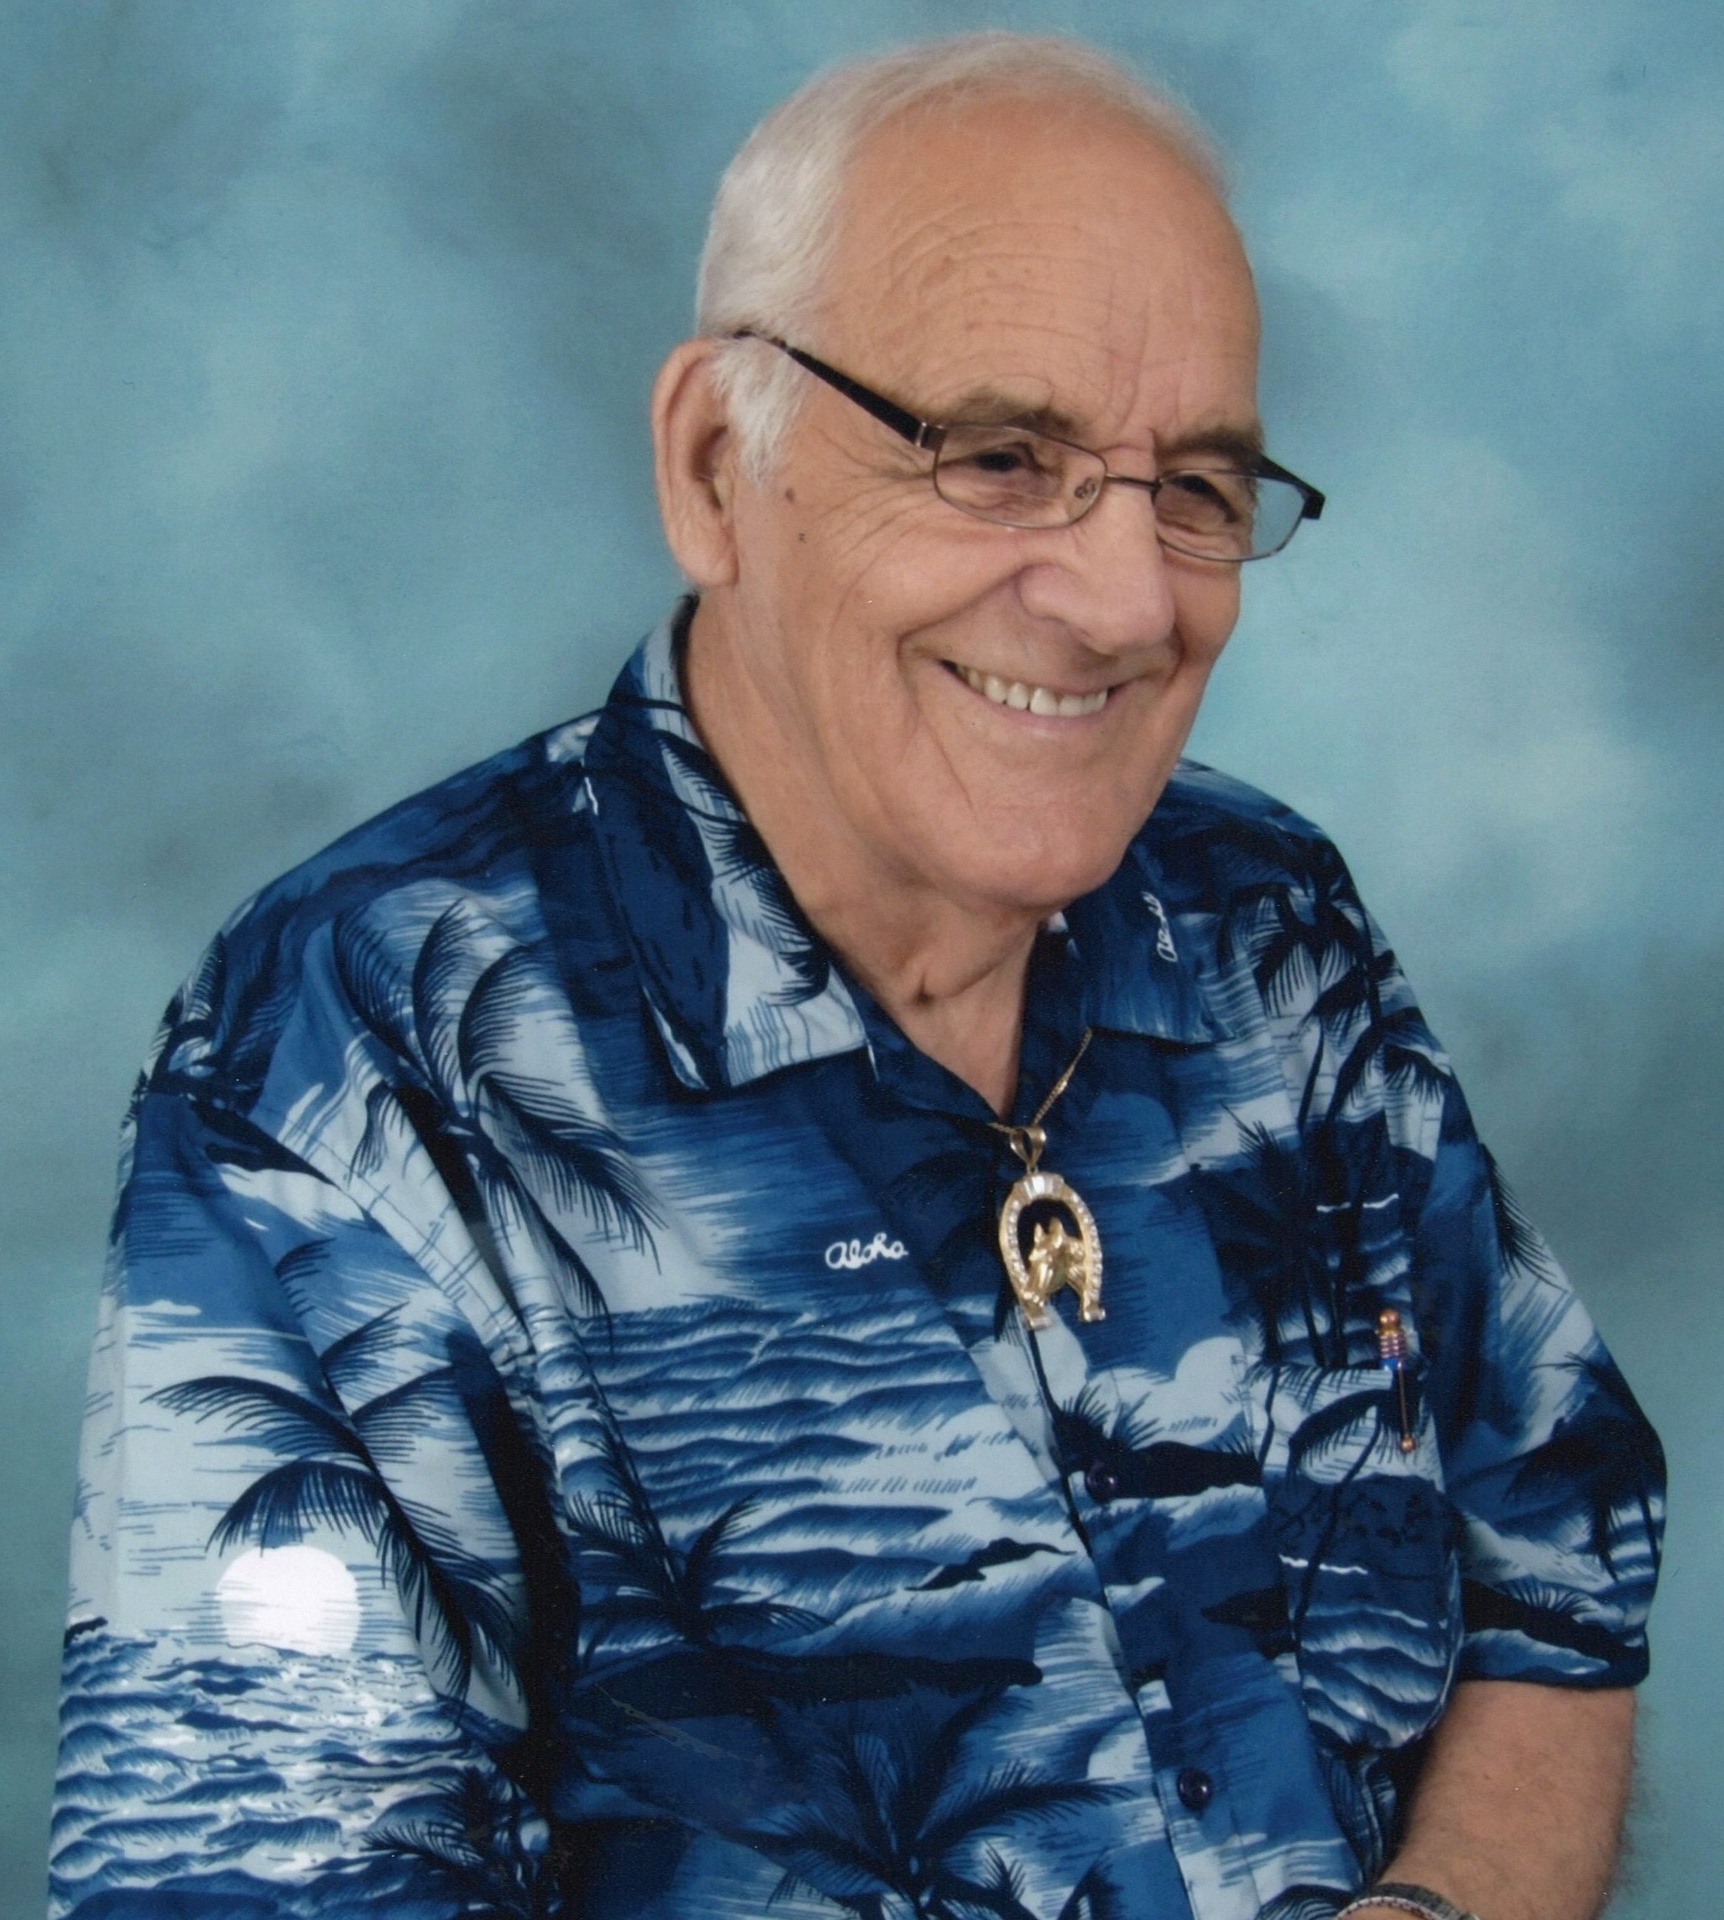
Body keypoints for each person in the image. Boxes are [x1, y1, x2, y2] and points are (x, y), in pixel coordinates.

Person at [52, 32, 1662, 1920]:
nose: (1129, 600)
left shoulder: (1267, 929)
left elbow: (1556, 1567)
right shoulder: (345, 1063)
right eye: (1000, 458)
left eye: (1197, 489)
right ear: (714, 469)